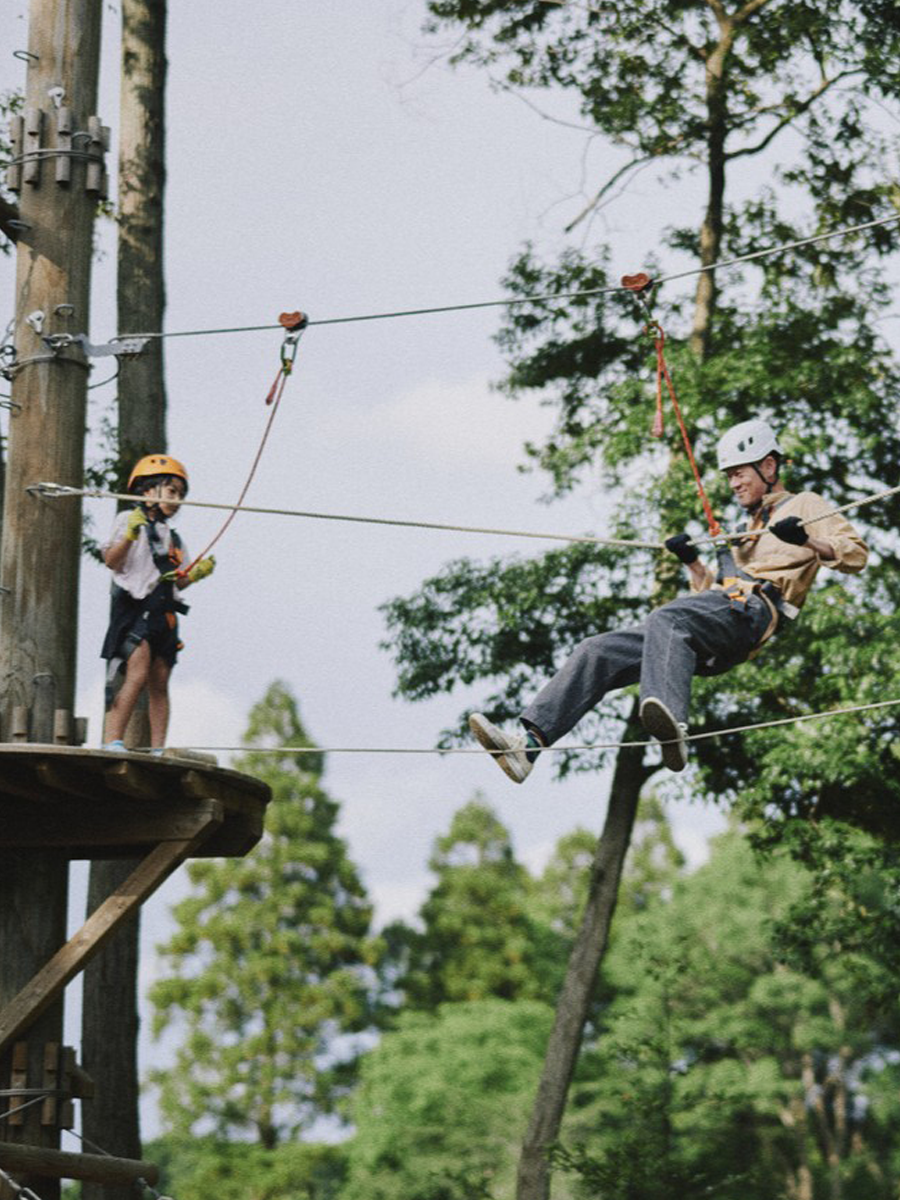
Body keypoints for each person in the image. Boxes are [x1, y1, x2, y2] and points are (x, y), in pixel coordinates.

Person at [469, 418, 868, 779]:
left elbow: (856, 555)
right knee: (597, 650)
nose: (733, 483)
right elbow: (710, 597)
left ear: (768, 466)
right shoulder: (743, 528)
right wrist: (693, 562)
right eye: (728, 476)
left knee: (668, 618)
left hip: (754, 612)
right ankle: (529, 748)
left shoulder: (804, 505)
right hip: (717, 619)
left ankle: (672, 725)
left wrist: (807, 539)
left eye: (740, 473)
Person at [101, 454, 216, 753]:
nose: (177, 500)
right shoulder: (127, 520)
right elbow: (112, 562)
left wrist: (196, 574)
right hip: (135, 608)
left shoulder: (173, 537)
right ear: (148, 491)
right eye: (171, 491)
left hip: (163, 612)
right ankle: (112, 740)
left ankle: (157, 748)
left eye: (180, 494)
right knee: (136, 673)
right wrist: (129, 535)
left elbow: (177, 580)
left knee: (159, 683)